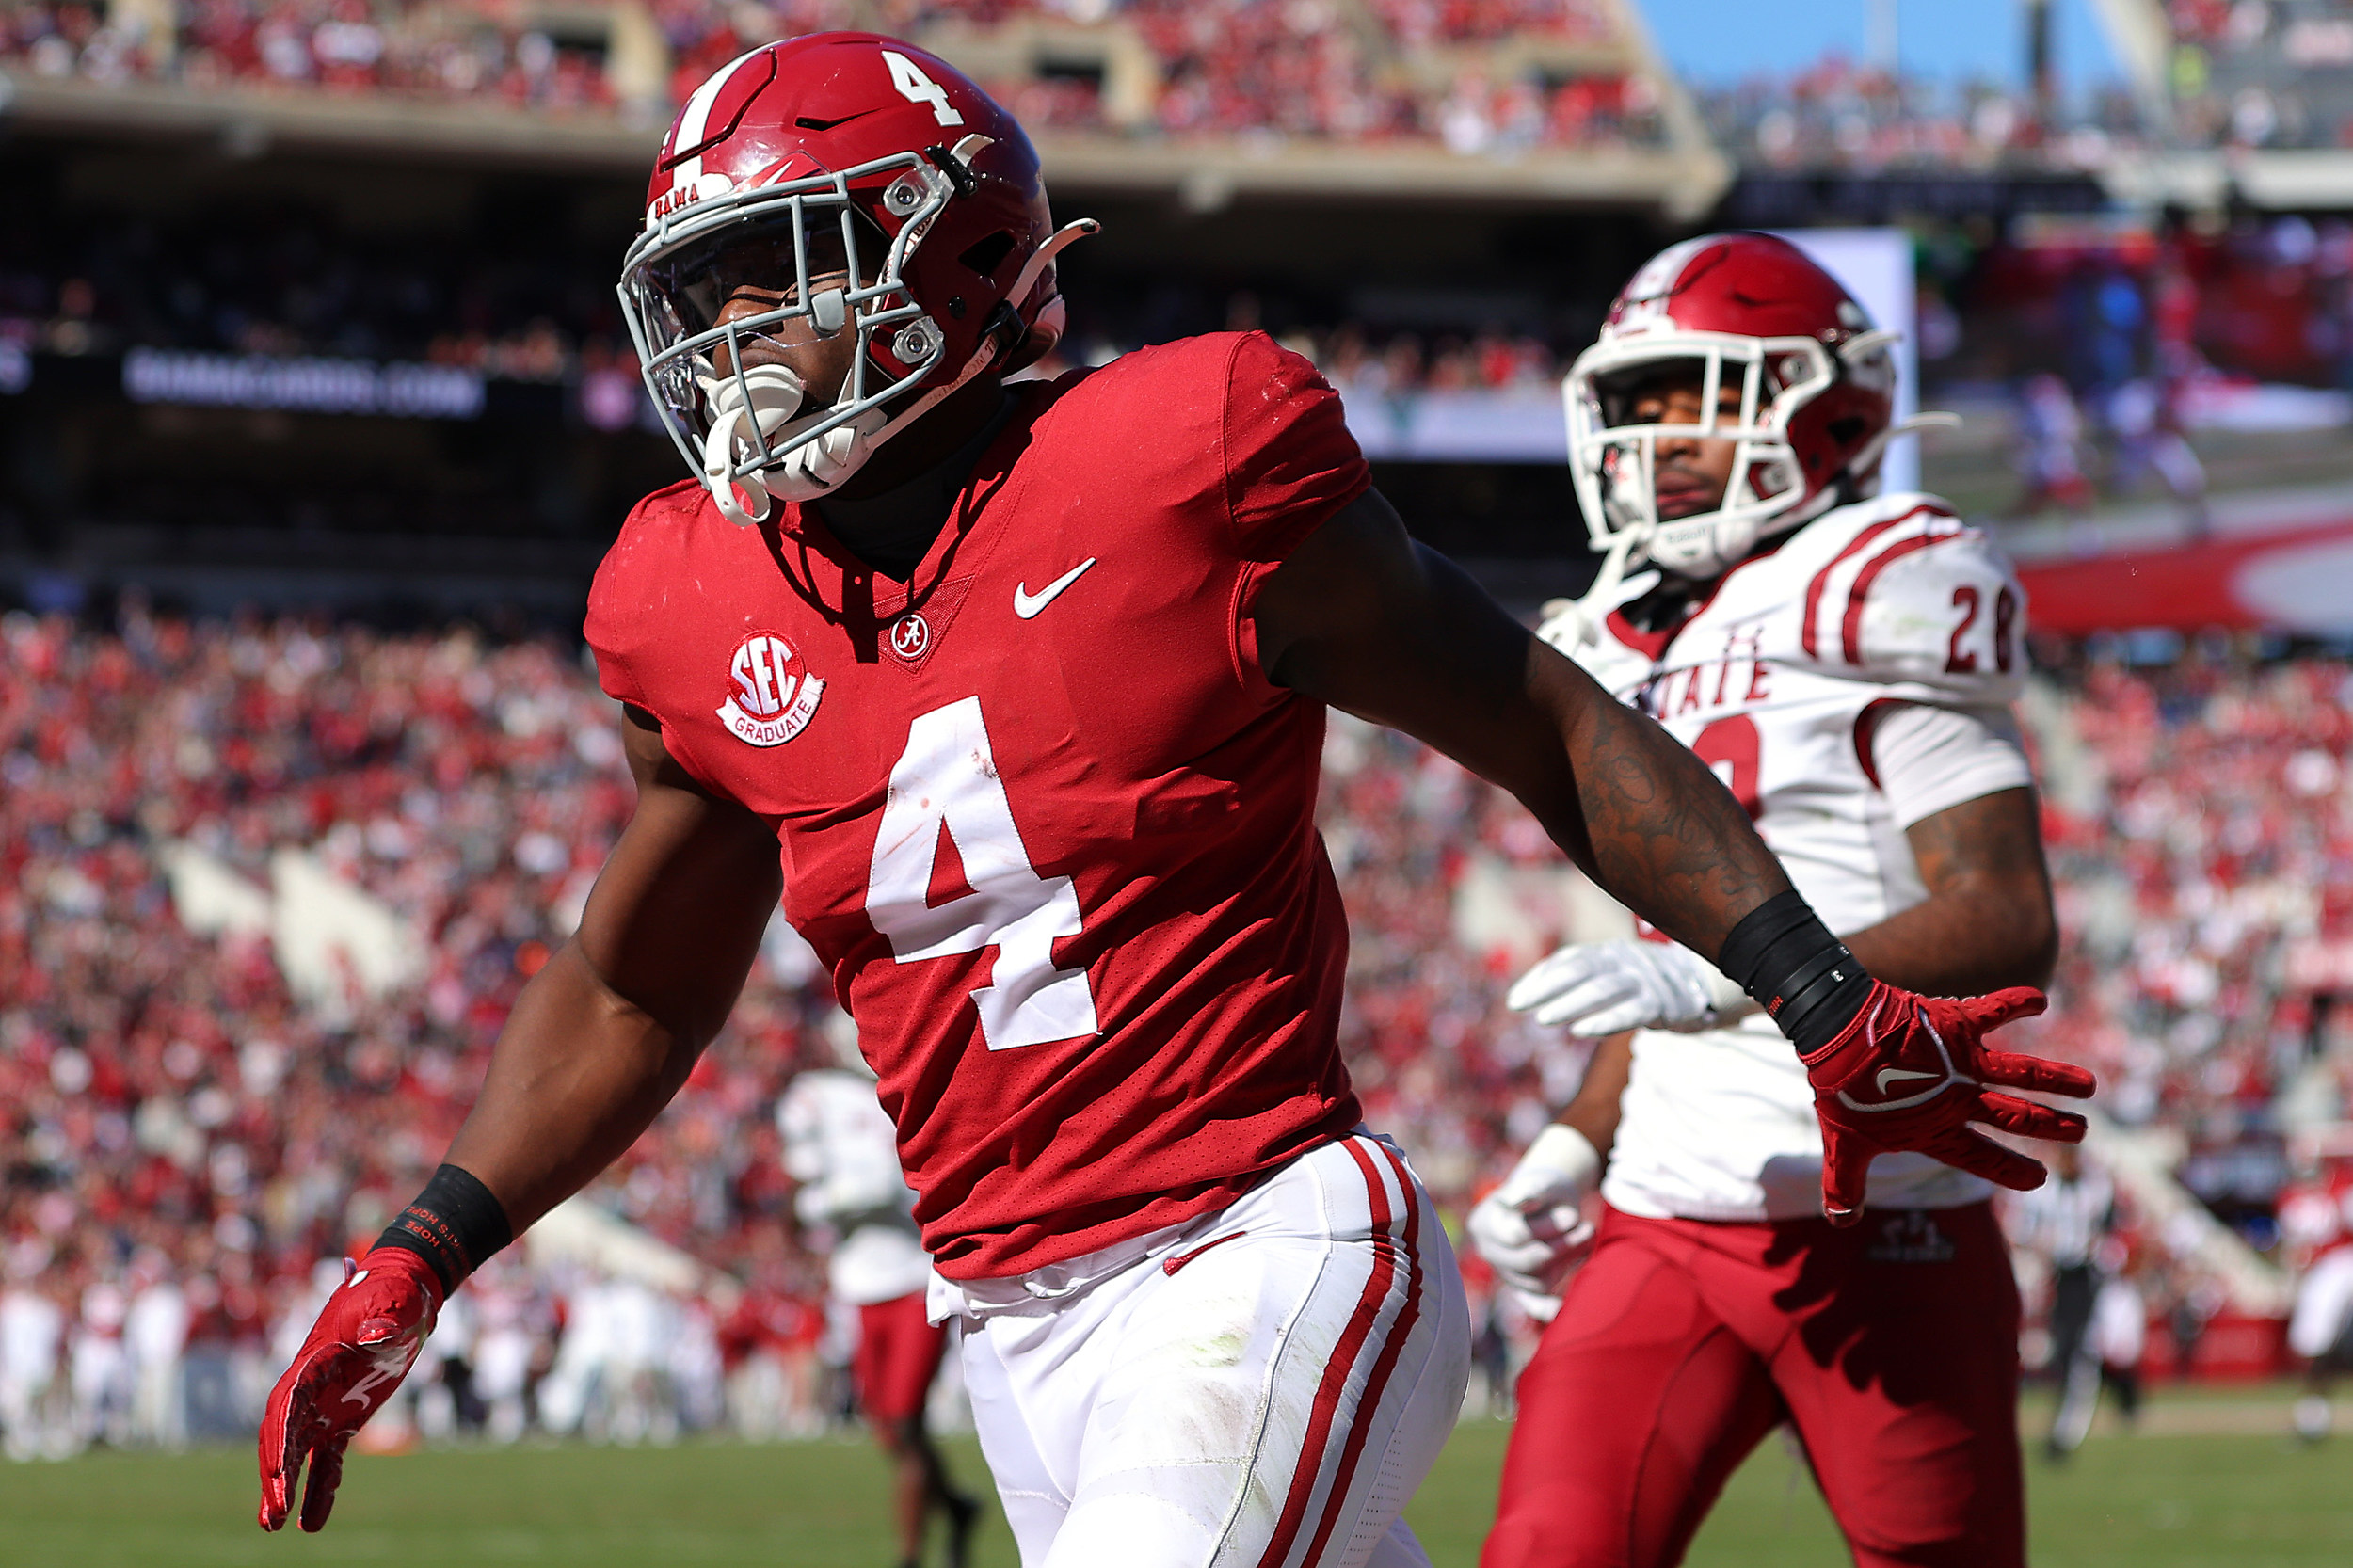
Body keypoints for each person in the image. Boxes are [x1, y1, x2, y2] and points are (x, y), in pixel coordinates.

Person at [255, 45, 2091, 1568]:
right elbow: (637, 980)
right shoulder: (686, 591)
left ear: (948, 258)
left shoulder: (1175, 458)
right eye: (700, 290)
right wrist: (417, 1250)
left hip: (1261, 1238)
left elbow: (1541, 718)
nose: (723, 333)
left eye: (771, 269)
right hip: (1012, 1319)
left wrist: (1809, 987)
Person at [1471, 232, 2073, 1568]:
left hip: (1887, 1215)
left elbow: (2003, 910)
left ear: (1829, 405)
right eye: (1636, 403)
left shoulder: (1881, 575)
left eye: (1695, 390)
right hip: (1665, 1216)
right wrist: (1575, 1139)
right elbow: (1656, 959)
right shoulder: (1605, 637)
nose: (1657, 433)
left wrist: (1718, 975)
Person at [779, 1056, 981, 1566]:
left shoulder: (905, 1089)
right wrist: (823, 1199)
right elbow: (799, 1200)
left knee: (907, 1421)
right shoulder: (815, 1098)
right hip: (858, 1287)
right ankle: (956, 1507)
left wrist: (830, 1199)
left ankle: (909, 1556)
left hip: (915, 1277)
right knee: (889, 1431)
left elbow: (894, 1190)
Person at [2009, 1141, 2121, 1459]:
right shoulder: (2044, 1193)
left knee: (2077, 1349)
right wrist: (2041, 1249)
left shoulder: (2095, 1189)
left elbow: (2107, 1230)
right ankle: (2072, 1419)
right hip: (2053, 1274)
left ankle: (2067, 1429)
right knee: (2058, 1350)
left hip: (2083, 1276)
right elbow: (2022, 1233)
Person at [2279, 1148, 2353, 1442]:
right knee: (2313, 1346)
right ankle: (2313, 1417)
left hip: (2338, 1263)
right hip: (2323, 1268)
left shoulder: (2341, 1189)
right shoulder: (2296, 1200)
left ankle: (2312, 1417)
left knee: (2315, 1344)